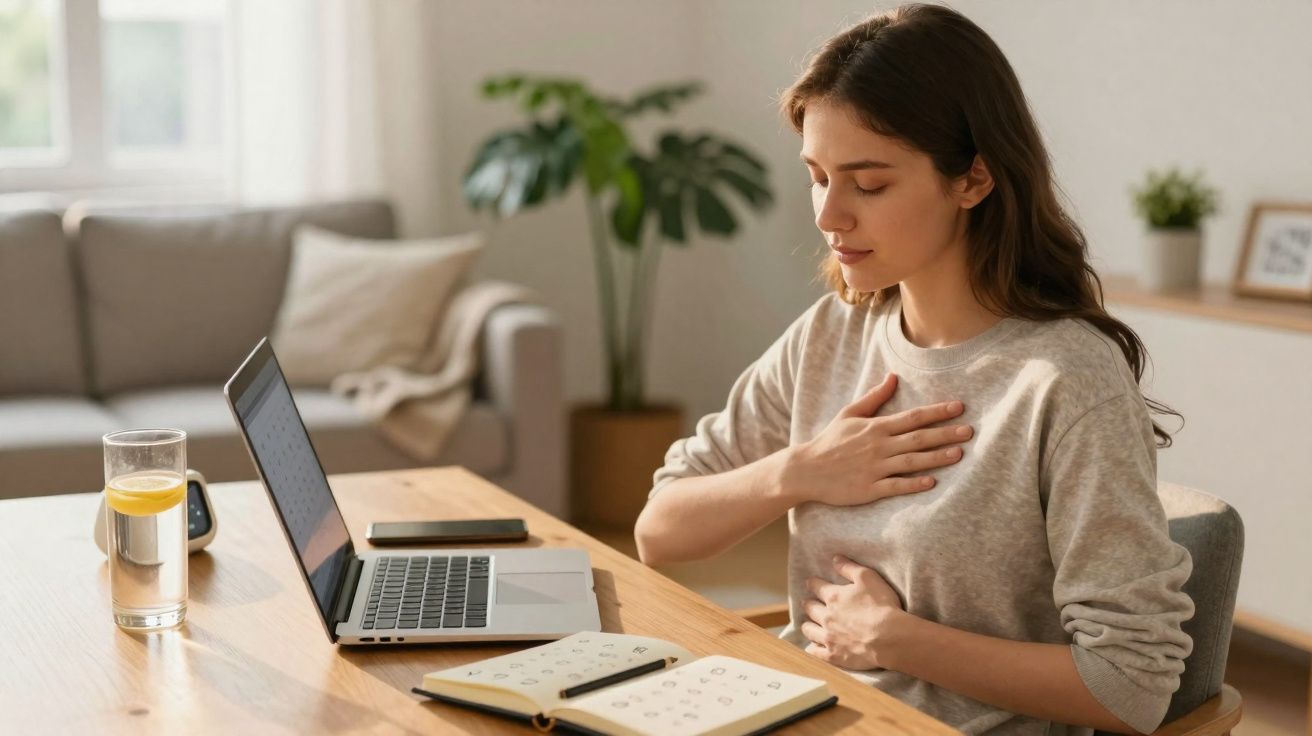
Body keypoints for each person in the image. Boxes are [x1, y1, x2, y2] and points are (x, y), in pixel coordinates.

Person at [633, 5, 1194, 735]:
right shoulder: (834, 334)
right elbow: (660, 531)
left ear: (974, 179)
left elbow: (1131, 686)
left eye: (868, 184)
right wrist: (800, 472)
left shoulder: (1063, 382)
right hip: (797, 710)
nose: (830, 216)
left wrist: (897, 642)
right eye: (817, 176)